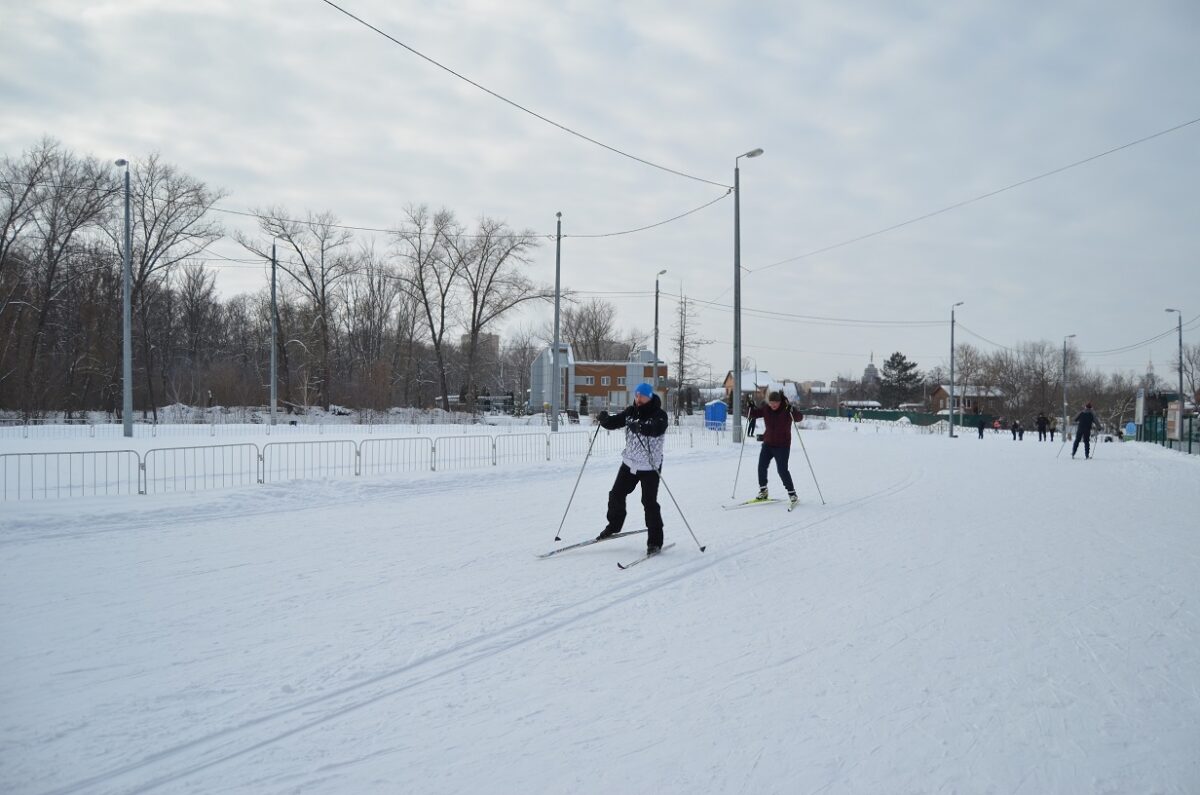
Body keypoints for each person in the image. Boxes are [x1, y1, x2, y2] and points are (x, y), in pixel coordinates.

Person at [595, 383, 669, 554]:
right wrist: (605, 420)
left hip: (650, 467)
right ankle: (614, 526)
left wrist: (641, 427)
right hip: (629, 463)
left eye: (642, 396)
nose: (638, 399)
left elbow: (656, 429)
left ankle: (655, 542)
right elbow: (615, 422)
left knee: (649, 503)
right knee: (616, 494)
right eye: (636, 395)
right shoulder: (630, 412)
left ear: (649, 396)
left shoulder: (659, 415)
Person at [745, 390, 805, 508]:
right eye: (771, 402)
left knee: (782, 470)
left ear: (779, 402)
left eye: (775, 403)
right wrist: (750, 408)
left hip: (782, 445)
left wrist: (792, 410)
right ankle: (763, 491)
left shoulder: (786, 409)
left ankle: (792, 494)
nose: (773, 405)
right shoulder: (767, 409)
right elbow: (754, 414)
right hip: (768, 443)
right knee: (761, 466)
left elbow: (799, 417)